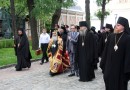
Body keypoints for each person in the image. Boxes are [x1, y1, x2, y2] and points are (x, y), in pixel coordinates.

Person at [100, 17, 130, 90]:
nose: (116, 26)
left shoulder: (128, 38)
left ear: (123, 26)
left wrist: (127, 71)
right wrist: (103, 63)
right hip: (109, 67)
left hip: (120, 69)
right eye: (116, 24)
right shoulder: (111, 36)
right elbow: (105, 51)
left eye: (118, 25)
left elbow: (128, 56)